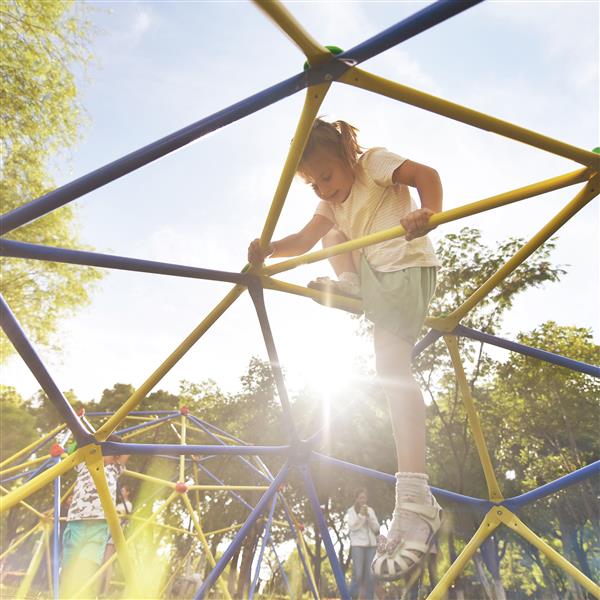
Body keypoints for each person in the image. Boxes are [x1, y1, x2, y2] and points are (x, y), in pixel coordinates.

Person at [248, 118, 443, 581]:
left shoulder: (373, 163)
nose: (324, 188)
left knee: (392, 371)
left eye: (328, 176)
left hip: (406, 266)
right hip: (376, 277)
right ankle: (350, 285)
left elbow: (426, 177)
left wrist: (427, 212)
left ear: (346, 154)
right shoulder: (329, 202)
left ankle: (415, 493)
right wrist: (268, 250)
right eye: (314, 183)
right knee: (334, 235)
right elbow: (303, 241)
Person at [60, 435, 129, 598]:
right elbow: (73, 451)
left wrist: (116, 446)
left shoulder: (114, 469)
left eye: (115, 455)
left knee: (87, 564)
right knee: (69, 565)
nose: (112, 458)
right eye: (109, 452)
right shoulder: (85, 463)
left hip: (99, 525)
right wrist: (90, 438)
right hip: (77, 521)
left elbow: (126, 454)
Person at [345, 488, 379, 599]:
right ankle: (350, 597)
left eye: (364, 497)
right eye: (360, 497)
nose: (362, 500)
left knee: (370, 575)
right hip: (358, 546)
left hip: (371, 546)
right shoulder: (351, 511)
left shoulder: (371, 510)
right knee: (358, 574)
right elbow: (352, 527)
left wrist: (368, 518)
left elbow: (376, 528)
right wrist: (361, 516)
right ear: (356, 499)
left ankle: (369, 598)